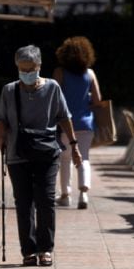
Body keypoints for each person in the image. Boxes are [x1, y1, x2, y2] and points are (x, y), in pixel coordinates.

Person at [0, 45, 82, 267]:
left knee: (45, 201)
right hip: (17, 153)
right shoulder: (9, 90)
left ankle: (45, 249)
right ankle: (28, 250)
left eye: (31, 69)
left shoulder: (52, 88)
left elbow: (64, 116)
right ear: (17, 67)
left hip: (47, 151)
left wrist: (74, 145)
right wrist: (0, 136)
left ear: (39, 66)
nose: (26, 73)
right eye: (22, 69)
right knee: (23, 204)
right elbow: (1, 118)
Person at [52, 36, 103, 209]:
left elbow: (53, 96)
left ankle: (65, 195)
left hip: (65, 123)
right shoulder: (90, 74)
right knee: (84, 158)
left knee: (65, 158)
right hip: (86, 123)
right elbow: (97, 100)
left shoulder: (59, 72)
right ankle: (84, 193)